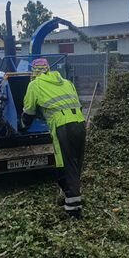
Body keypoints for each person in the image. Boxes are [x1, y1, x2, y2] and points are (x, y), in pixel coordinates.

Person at [21, 58, 86, 218]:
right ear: (49, 69)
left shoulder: (34, 85)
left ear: (34, 71)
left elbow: (28, 111)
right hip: (80, 123)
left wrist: (23, 125)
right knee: (75, 163)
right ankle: (70, 197)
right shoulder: (66, 82)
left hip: (63, 127)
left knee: (64, 166)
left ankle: (73, 210)